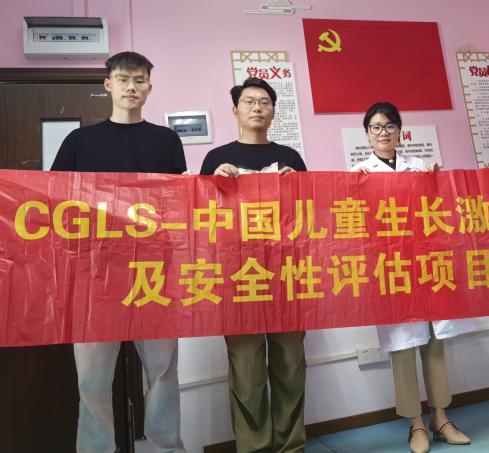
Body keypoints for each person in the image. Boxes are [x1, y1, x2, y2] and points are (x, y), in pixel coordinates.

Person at [51, 51, 186, 453]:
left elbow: (179, 202)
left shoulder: (166, 140)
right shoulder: (79, 141)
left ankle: (166, 447)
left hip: (154, 272)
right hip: (95, 275)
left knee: (163, 371)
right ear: (108, 85)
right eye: (124, 79)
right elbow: (54, 201)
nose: (131, 87)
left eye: (139, 80)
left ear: (149, 87)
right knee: (92, 380)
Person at [351, 102, 475, 453]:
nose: (383, 132)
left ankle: (441, 418)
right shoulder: (358, 172)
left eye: (390, 126)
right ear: (367, 134)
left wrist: (436, 181)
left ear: (400, 131)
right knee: (403, 346)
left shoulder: (420, 166)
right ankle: (416, 424)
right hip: (391, 266)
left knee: (434, 341)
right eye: (376, 127)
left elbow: (440, 211)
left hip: (426, 262)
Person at [200, 77, 307, 453]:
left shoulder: (291, 157)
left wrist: (300, 186)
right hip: (238, 275)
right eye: (249, 101)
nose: (257, 107)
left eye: (264, 102)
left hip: (287, 274)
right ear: (235, 110)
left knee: (290, 366)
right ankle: (254, 447)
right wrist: (214, 183)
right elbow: (199, 217)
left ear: (274, 111)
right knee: (246, 369)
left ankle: (291, 446)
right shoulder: (216, 159)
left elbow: (310, 216)